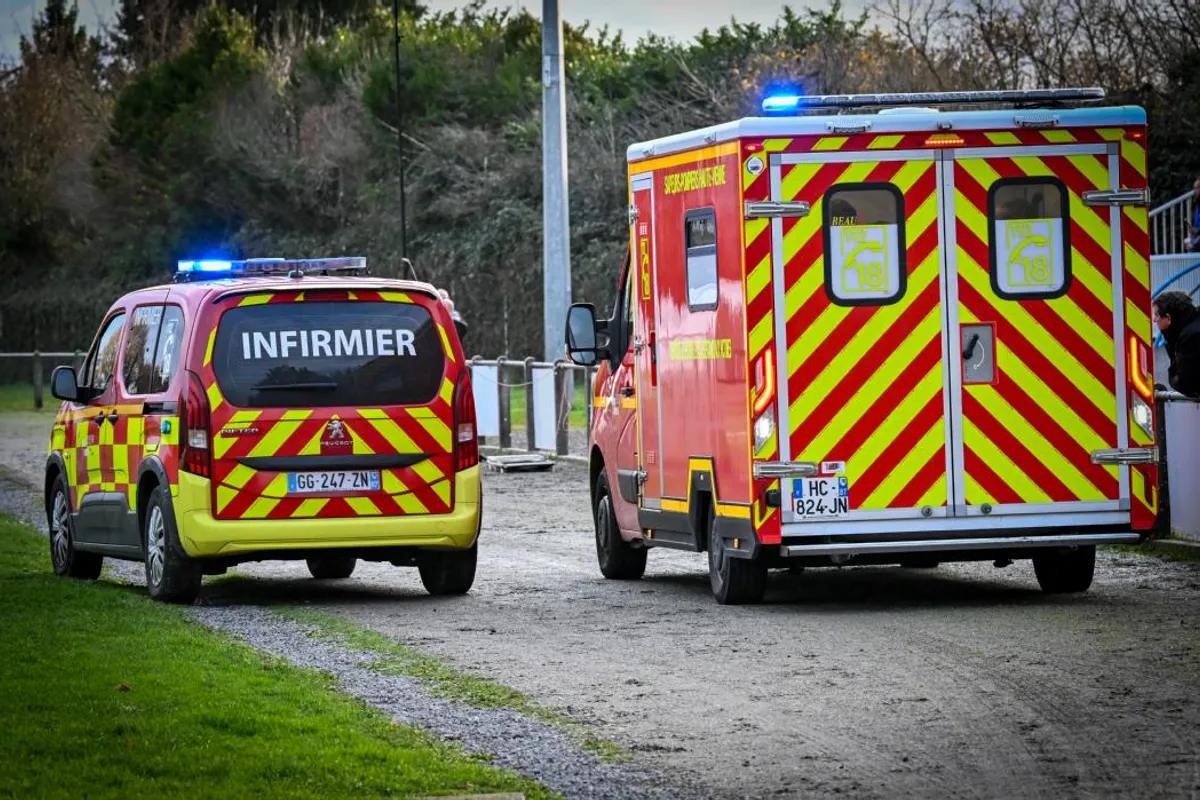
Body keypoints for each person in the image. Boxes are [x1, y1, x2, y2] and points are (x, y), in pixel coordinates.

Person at [1153, 290, 1200, 397]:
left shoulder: (1189, 338)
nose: (1155, 320)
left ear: (1168, 318)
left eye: (1157, 315)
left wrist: (1168, 335)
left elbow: (1186, 384)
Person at [1187, 178, 1200, 253]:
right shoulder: (1197, 205)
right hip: (1197, 235)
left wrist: (1197, 230)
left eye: (1197, 188)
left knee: (1193, 244)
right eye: (1194, 189)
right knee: (1188, 242)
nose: (1195, 191)